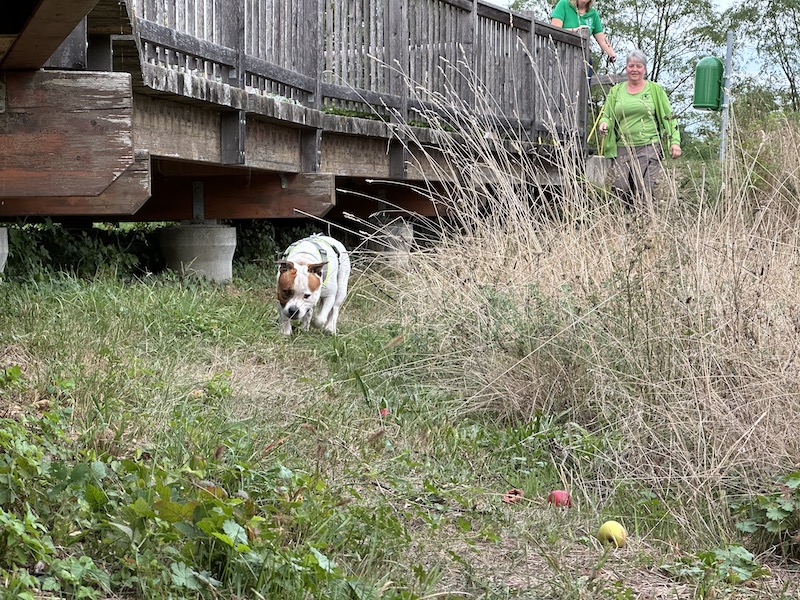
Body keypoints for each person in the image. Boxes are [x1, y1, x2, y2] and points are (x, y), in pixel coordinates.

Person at [597, 50, 682, 211]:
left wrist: (674, 142)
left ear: (644, 69)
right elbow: (607, 115)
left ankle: (645, 219)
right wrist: (604, 124)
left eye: (638, 66)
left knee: (643, 187)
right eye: (631, 66)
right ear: (626, 68)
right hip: (622, 147)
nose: (634, 69)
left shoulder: (655, 90)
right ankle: (629, 217)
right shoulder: (616, 91)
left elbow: (669, 117)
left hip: (648, 145)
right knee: (620, 186)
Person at [550, 0, 617, 65]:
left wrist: (611, 54)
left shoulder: (593, 14)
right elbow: (555, 31)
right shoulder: (564, 4)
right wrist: (574, 31)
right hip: (562, 55)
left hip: (583, 59)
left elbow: (602, 41)